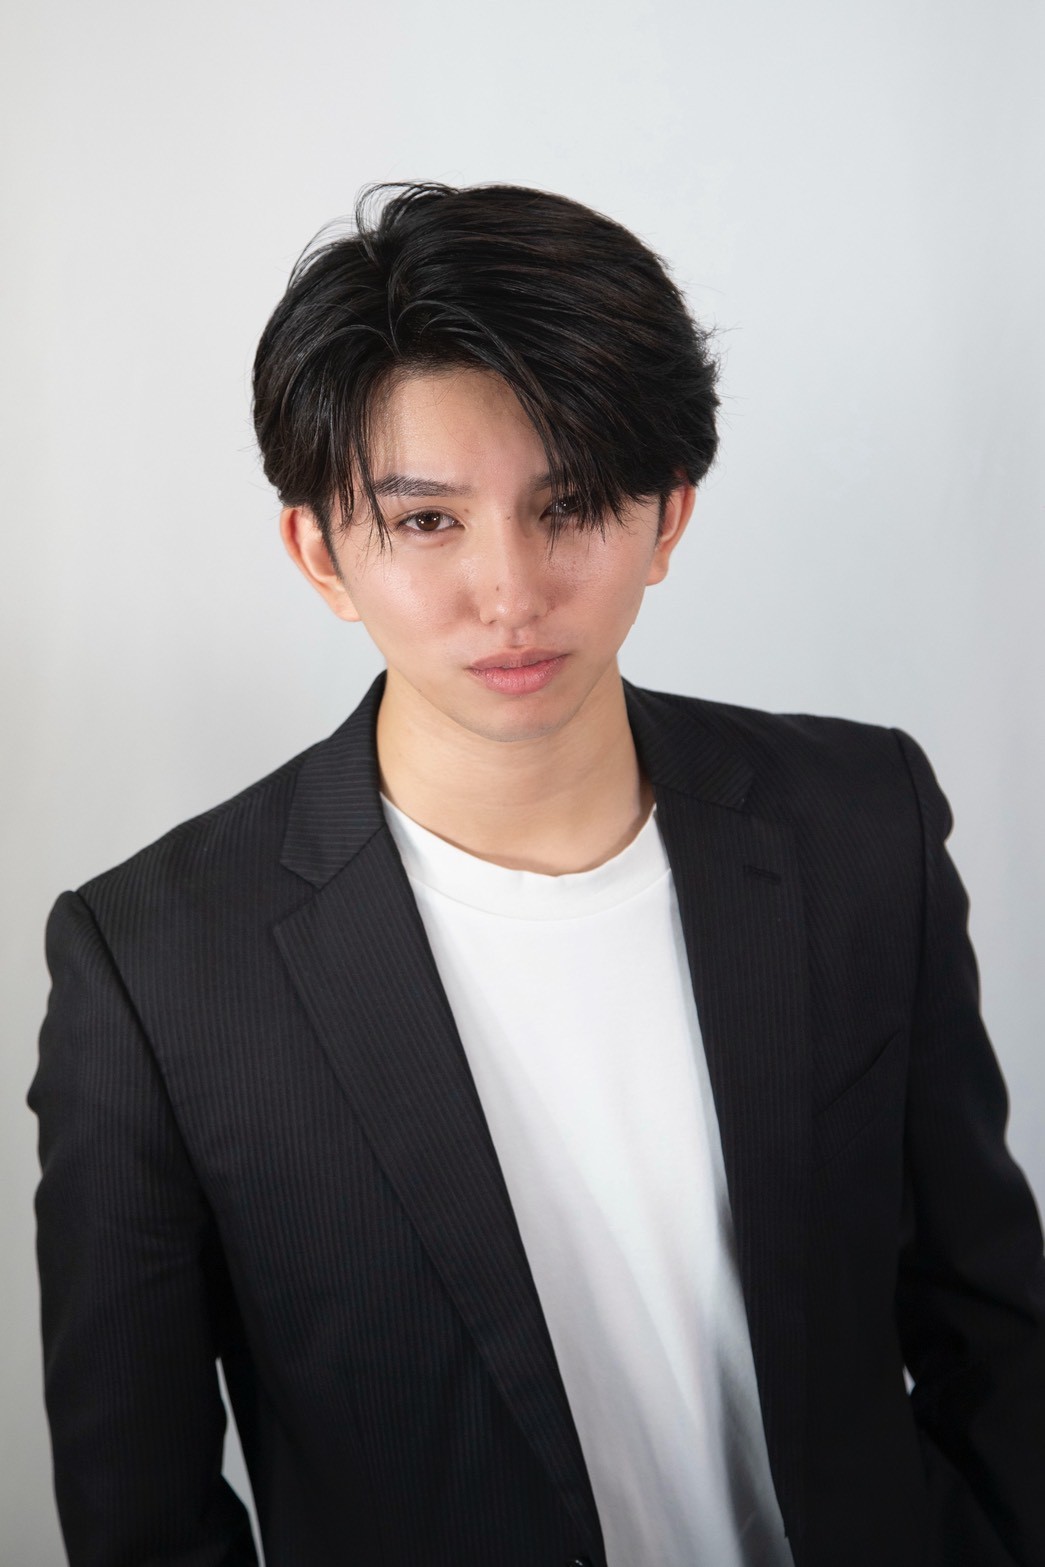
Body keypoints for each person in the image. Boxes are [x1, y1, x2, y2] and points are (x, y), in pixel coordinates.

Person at [30, 182, 1045, 1567]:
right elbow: (139, 1511)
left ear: (667, 517)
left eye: (569, 506)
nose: (510, 594)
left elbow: (991, 1325)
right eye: (427, 522)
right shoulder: (156, 964)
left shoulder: (858, 825)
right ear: (320, 552)